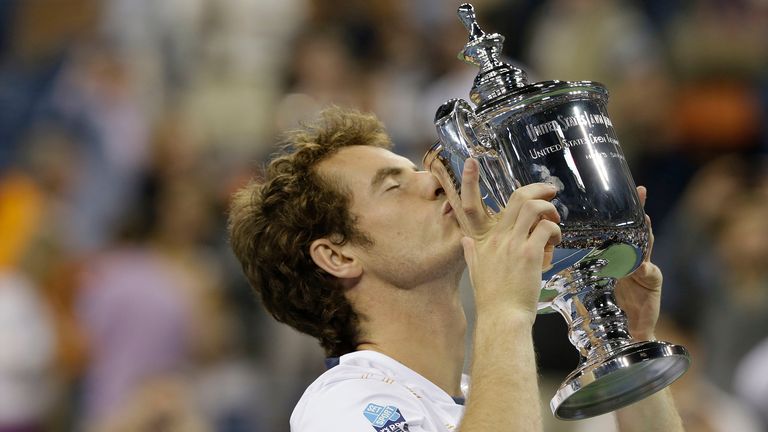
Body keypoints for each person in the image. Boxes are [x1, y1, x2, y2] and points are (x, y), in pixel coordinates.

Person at [228, 107, 685, 431]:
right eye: (392, 187)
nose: (434, 181)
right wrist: (505, 308)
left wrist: (627, 340)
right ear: (338, 256)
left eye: (417, 170)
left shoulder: (484, 396)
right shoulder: (344, 406)